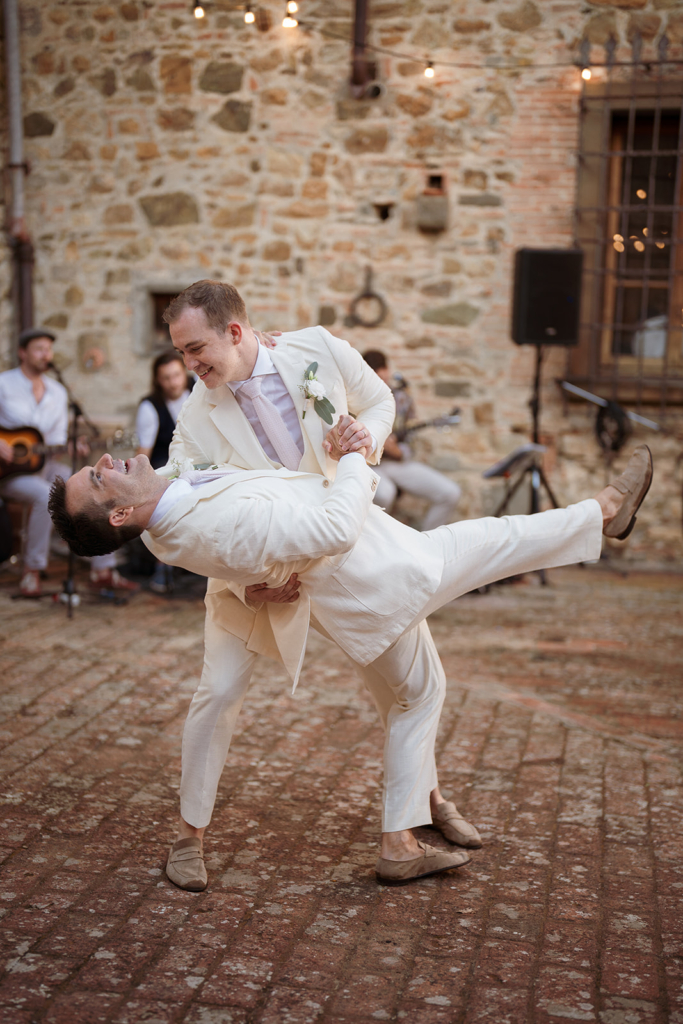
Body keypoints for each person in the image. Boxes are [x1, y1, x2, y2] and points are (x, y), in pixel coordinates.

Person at [49, 440, 653, 887]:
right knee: (494, 545)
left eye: (94, 467)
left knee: (425, 684)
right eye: (97, 481)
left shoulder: (166, 516)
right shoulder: (191, 522)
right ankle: (603, 511)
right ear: (119, 516)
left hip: (372, 580)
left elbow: (233, 544)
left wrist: (253, 582)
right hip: (380, 579)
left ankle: (404, 835)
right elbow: (332, 525)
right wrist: (355, 458)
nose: (104, 464)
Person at [0, 327, 134, 596]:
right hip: (9, 473)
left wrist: (72, 447)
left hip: (43, 465)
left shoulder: (58, 392)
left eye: (48, 350)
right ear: (22, 353)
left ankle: (103, 569)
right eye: (39, 349)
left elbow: (56, 441)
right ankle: (32, 571)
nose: (45, 355)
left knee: (93, 488)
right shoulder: (3, 384)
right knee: (43, 495)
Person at [363, 349, 462, 531]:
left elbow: (411, 443)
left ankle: (426, 543)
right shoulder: (354, 399)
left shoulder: (402, 399)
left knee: (450, 493)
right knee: (385, 494)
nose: (381, 378)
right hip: (367, 465)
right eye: (375, 373)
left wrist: (397, 451)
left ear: (387, 371)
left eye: (383, 372)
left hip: (395, 462)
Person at [135, 351, 193, 592]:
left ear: (184, 372)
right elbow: (143, 454)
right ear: (158, 380)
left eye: (177, 375)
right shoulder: (149, 407)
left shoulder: (201, 387)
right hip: (166, 464)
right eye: (166, 378)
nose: (173, 383)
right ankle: (164, 563)